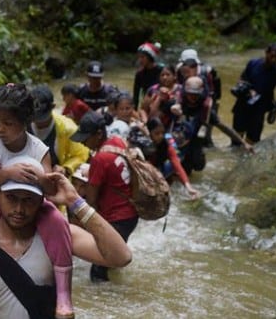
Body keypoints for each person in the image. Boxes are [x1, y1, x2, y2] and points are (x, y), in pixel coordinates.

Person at [0, 157, 133, 319]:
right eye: (11, 198)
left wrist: (75, 201)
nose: (19, 209)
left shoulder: (58, 235)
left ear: (42, 200)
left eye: (29, 200)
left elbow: (121, 256)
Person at [0, 83, 73, 319]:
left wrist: (40, 176)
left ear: (25, 121)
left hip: (33, 200)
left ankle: (64, 294)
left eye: (8, 123)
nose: (0, 129)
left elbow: (49, 188)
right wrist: (8, 173)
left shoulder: (39, 148)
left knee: (60, 224)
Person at [70, 111, 139, 282]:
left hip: (117, 217)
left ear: (99, 134)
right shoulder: (117, 142)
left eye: (87, 138)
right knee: (113, 258)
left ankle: (112, 302)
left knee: (98, 270)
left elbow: (91, 201)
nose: (85, 143)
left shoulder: (100, 159)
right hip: (131, 215)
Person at [170, 77, 254, 175]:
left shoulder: (205, 109)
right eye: (190, 94)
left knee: (195, 167)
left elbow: (223, 127)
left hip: (195, 142)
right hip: (177, 140)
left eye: (195, 94)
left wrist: (244, 143)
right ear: (185, 92)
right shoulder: (175, 103)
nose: (192, 97)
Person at [30, 84, 90, 177]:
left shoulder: (68, 128)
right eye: (34, 118)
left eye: (42, 118)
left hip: (56, 175)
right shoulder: (21, 124)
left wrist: (66, 168)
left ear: (53, 107)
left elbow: (82, 154)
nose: (39, 123)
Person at [146, 117, 199, 199]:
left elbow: (176, 164)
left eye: (162, 133)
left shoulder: (166, 144)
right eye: (156, 133)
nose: (160, 136)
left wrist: (188, 186)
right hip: (146, 170)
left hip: (159, 168)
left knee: (177, 160)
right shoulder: (142, 143)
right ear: (149, 133)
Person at [132, 42, 164, 109]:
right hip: (147, 105)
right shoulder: (139, 74)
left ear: (150, 57)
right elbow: (136, 97)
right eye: (139, 57)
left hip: (162, 103)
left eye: (142, 57)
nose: (140, 60)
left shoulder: (162, 71)